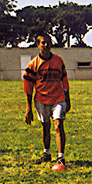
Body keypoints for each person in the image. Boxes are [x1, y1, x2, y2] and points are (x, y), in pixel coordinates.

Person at [23, 36, 71, 168]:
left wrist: (68, 98)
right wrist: (28, 109)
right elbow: (28, 88)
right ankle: (46, 154)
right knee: (46, 126)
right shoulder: (33, 64)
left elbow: (64, 80)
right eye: (43, 43)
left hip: (58, 98)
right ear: (38, 44)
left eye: (48, 43)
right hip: (41, 99)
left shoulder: (58, 60)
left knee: (58, 125)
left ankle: (61, 157)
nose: (46, 45)